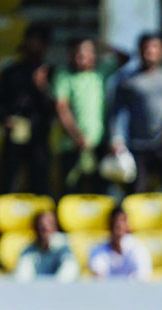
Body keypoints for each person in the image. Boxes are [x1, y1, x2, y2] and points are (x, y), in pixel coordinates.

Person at [106, 34, 162, 254]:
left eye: (155, 48)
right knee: (133, 201)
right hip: (139, 149)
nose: (150, 53)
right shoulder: (128, 80)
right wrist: (116, 139)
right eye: (146, 49)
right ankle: (127, 247)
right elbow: (115, 113)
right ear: (139, 51)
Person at [0, 23, 57, 196]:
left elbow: (55, 107)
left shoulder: (51, 73)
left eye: (39, 41)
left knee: (39, 181)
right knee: (9, 179)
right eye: (32, 40)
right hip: (15, 132)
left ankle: (41, 221)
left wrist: (42, 88)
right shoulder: (11, 72)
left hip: (40, 134)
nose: (34, 45)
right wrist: (4, 118)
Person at [53, 36, 107, 194]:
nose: (81, 59)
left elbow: (125, 58)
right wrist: (77, 136)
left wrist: (102, 44)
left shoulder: (100, 74)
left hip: (98, 146)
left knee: (99, 194)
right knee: (70, 194)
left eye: (85, 54)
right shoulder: (64, 75)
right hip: (72, 147)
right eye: (77, 54)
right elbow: (61, 107)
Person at [87, 206, 152, 280]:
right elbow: (97, 278)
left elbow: (142, 278)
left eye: (123, 221)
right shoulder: (97, 250)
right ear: (109, 225)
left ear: (128, 225)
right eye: (115, 221)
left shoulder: (139, 249)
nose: (119, 224)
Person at [14, 210, 78, 281]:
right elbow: (23, 278)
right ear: (36, 228)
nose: (46, 228)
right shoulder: (28, 251)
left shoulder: (64, 246)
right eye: (41, 225)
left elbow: (69, 275)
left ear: (57, 226)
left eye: (51, 224)